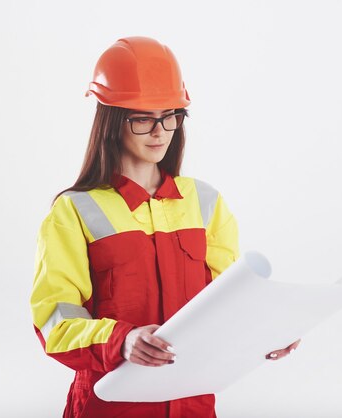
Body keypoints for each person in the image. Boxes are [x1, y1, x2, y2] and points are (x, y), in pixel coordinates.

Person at [30, 36, 300, 418]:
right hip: (112, 408)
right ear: (111, 119)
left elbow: (230, 305)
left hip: (193, 406)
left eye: (169, 115)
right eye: (143, 118)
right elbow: (55, 324)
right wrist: (121, 341)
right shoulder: (75, 210)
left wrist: (269, 330)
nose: (159, 131)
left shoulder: (205, 203)